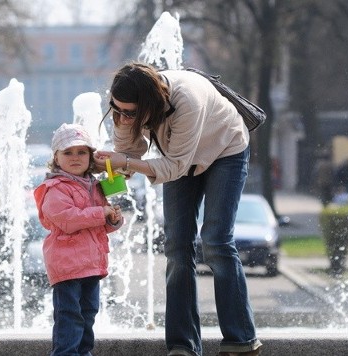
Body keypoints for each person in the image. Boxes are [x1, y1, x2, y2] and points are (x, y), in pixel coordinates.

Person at [93, 62, 262, 356]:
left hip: (225, 151)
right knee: (176, 245)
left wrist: (128, 163)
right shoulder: (127, 109)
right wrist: (117, 164)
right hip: (180, 157)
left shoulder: (188, 100)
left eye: (128, 112)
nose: (120, 116)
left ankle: (241, 339)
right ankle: (182, 345)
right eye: (116, 108)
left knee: (216, 241)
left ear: (149, 103)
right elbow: (130, 152)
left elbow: (174, 167)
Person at [33, 123, 124, 356]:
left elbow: (98, 227)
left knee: (88, 313)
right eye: (68, 152)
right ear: (56, 157)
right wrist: (99, 213)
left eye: (81, 152)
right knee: (69, 315)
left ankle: (83, 353)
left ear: (91, 156)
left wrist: (112, 219)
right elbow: (67, 219)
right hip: (68, 267)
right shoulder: (55, 188)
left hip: (91, 265)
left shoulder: (95, 185)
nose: (75, 157)